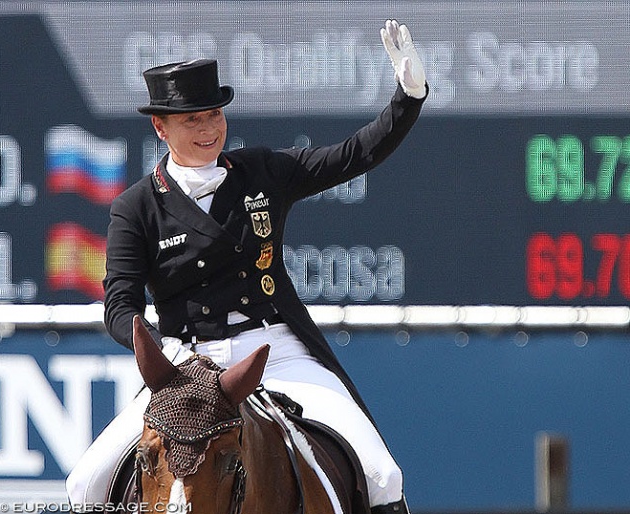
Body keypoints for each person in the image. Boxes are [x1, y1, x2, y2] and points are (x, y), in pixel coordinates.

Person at [66, 19, 428, 514]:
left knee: (383, 474)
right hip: (185, 367)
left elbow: (353, 156)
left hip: (275, 352)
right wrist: (161, 346)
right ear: (160, 126)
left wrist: (408, 98)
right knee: (84, 484)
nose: (209, 128)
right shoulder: (136, 207)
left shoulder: (260, 172)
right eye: (192, 119)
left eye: (214, 114)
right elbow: (119, 303)